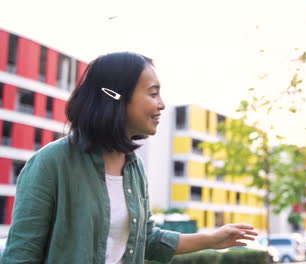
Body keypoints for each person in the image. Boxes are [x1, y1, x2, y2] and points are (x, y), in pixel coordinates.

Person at [1, 52, 257, 264]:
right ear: (115, 97)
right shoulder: (51, 163)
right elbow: (21, 254)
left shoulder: (135, 168)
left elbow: (146, 240)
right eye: (153, 93)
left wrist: (213, 239)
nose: (162, 105)